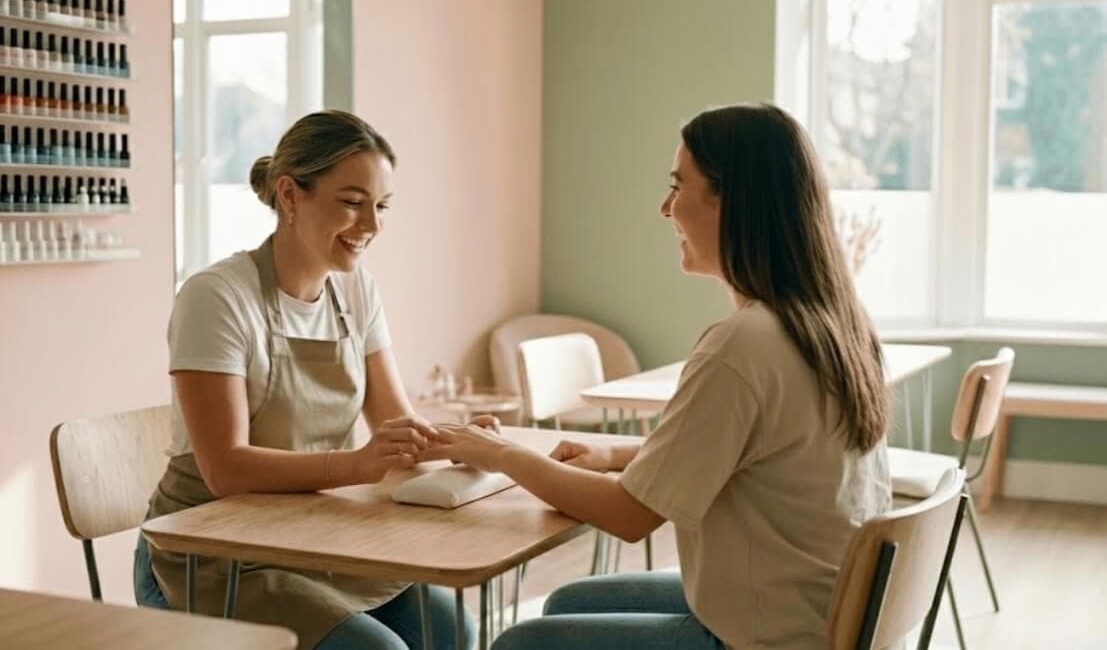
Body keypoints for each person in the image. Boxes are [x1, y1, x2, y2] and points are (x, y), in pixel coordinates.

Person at [422, 104, 893, 649]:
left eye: (678, 186)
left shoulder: (741, 346)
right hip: (826, 610)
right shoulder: (833, 324)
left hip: (769, 635)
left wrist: (500, 454)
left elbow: (628, 515)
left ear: (733, 201)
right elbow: (750, 455)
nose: (665, 208)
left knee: (518, 644)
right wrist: (617, 455)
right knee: (568, 603)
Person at [133, 110, 476, 650]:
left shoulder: (357, 290)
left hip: (316, 538)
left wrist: (462, 442)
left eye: (381, 206)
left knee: (454, 630)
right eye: (351, 202)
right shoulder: (217, 297)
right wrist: (358, 464)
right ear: (290, 195)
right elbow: (224, 469)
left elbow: (393, 423)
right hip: (214, 555)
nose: (372, 226)